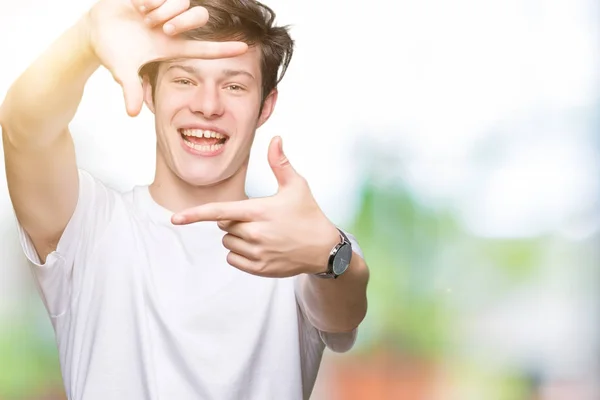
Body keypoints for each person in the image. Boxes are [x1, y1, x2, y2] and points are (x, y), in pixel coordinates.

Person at [0, 0, 370, 399]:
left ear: (265, 106)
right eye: (184, 80)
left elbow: (343, 316)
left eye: (233, 86)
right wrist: (87, 37)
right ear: (148, 90)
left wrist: (332, 258)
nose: (207, 106)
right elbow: (24, 128)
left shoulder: (299, 243)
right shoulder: (88, 226)